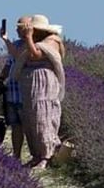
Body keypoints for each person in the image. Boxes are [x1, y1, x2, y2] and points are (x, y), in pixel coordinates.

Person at [11, 14, 66, 169]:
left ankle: (46, 156)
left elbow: (36, 55)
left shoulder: (52, 41)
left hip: (44, 84)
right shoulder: (35, 42)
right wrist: (6, 40)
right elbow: (19, 56)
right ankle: (36, 155)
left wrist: (28, 38)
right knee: (30, 120)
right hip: (30, 86)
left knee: (43, 118)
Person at [0, 16, 30, 160]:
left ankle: (37, 155)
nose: (17, 29)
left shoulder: (33, 45)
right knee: (15, 125)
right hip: (12, 91)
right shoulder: (16, 44)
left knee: (28, 126)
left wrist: (5, 40)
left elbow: (20, 57)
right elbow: (9, 64)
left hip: (25, 92)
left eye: (19, 27)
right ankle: (16, 156)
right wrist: (0, 79)